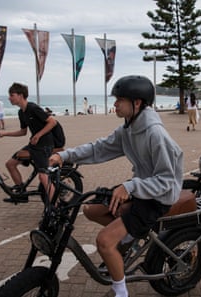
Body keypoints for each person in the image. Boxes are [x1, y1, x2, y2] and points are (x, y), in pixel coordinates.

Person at [49, 75, 183, 297]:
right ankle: (129, 236)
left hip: (158, 198)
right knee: (90, 209)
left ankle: (120, 292)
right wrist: (64, 156)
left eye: (120, 99)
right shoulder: (128, 128)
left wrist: (130, 187)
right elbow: (98, 148)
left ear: (137, 103)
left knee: (104, 241)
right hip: (140, 189)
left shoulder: (156, 134)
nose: (115, 104)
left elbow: (168, 181)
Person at [0, 82, 57, 203]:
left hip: (44, 146)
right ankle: (21, 192)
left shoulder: (33, 108)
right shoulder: (21, 112)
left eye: (11, 95)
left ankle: (56, 208)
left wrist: (38, 135)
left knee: (43, 176)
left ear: (20, 95)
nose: (9, 98)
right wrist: (4, 134)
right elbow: (23, 132)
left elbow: (52, 122)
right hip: (34, 145)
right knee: (10, 164)